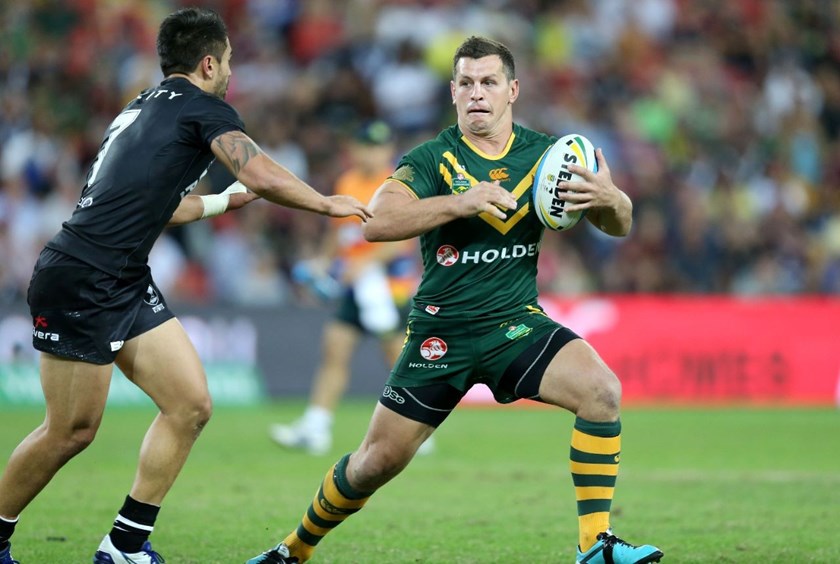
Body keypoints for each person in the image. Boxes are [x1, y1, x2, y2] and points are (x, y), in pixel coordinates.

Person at [246, 36, 663, 564]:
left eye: (489, 82)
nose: (477, 94)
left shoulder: (547, 155)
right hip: (441, 334)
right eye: (466, 83)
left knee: (602, 390)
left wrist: (613, 199)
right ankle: (292, 550)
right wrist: (459, 202)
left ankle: (595, 545)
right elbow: (378, 222)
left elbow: (618, 224)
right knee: (376, 462)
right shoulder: (432, 158)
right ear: (452, 92)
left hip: (515, 324)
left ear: (513, 90)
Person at [0, 7, 371, 564]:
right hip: (81, 277)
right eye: (227, 61)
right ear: (207, 62)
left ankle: (124, 545)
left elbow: (157, 205)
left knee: (190, 404)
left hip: (121, 275)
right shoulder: (205, 108)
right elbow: (258, 169)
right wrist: (323, 202)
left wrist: (224, 200)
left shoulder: (141, 108)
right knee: (71, 431)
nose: (230, 72)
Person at [269, 120, 432, 457]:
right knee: (335, 350)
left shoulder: (399, 184)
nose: (372, 153)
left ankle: (418, 427)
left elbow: (403, 240)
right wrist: (322, 262)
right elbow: (338, 234)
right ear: (354, 149)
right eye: (366, 146)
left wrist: (365, 264)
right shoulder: (348, 181)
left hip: (390, 286)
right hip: (357, 286)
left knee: (397, 359)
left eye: (378, 147)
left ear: (388, 150)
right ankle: (317, 427)